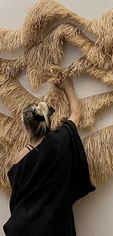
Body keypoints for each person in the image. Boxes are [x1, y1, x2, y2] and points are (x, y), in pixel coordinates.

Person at [3, 77, 95, 236]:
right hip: (55, 226)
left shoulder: (18, 158)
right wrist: (68, 87)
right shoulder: (61, 139)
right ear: (48, 122)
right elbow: (76, 113)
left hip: (23, 228)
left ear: (27, 128)